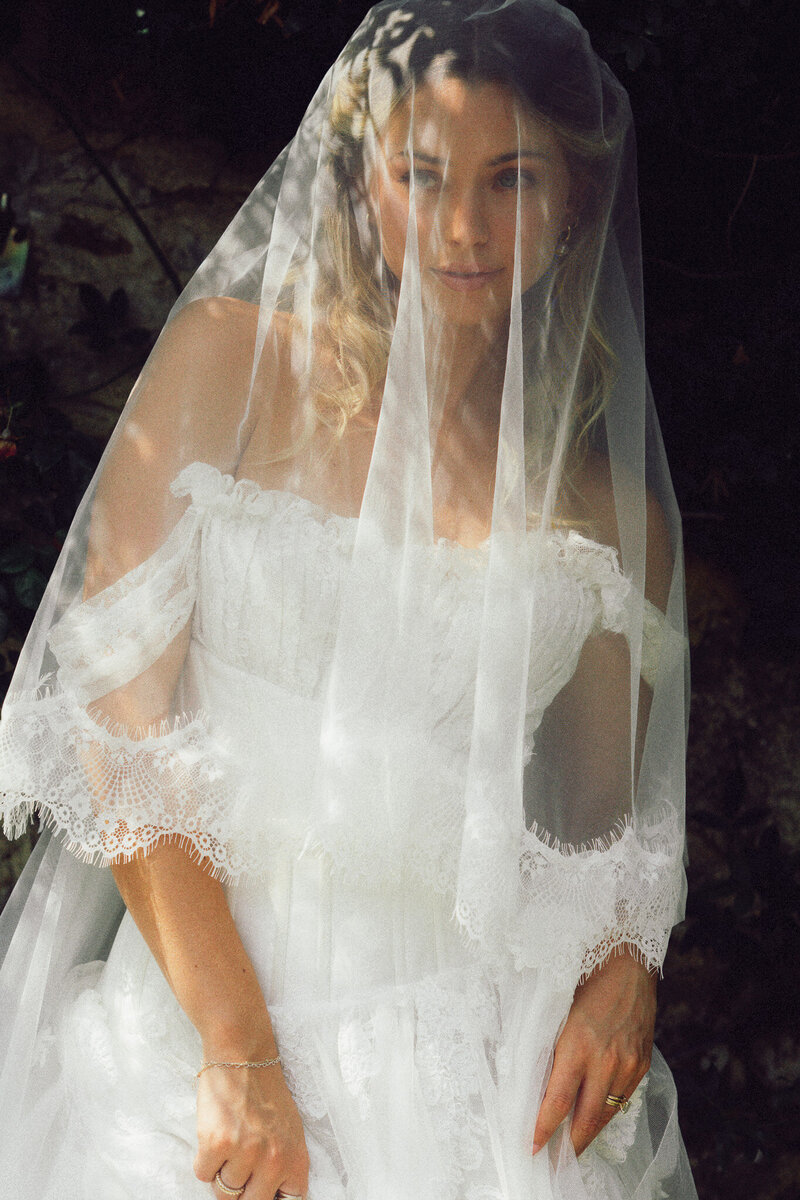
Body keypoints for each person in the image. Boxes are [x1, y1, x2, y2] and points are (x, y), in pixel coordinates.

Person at [0, 1, 698, 1196]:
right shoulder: (229, 360)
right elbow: (113, 732)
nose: (463, 227)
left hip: (480, 1081)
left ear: (573, 196)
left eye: (511, 179)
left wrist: (627, 965)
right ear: (362, 182)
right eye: (420, 176)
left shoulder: (608, 520)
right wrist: (239, 1053)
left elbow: (598, 846)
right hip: (199, 1043)